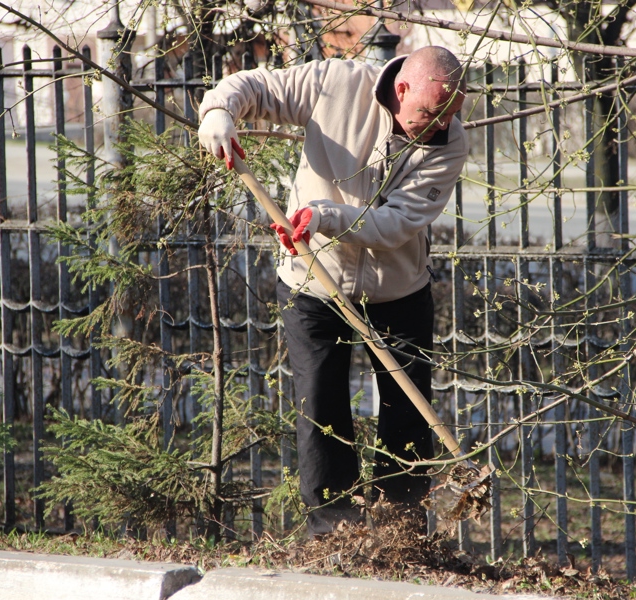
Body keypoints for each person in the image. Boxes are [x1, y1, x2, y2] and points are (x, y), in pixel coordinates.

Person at [198, 46, 468, 536]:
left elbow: (397, 224)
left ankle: (401, 534)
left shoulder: (448, 143)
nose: (436, 126)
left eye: (448, 115)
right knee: (322, 409)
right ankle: (333, 533)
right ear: (402, 90)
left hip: (398, 291)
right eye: (429, 113)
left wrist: (325, 216)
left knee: (406, 417)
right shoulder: (335, 83)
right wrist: (219, 111)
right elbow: (257, 87)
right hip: (312, 284)